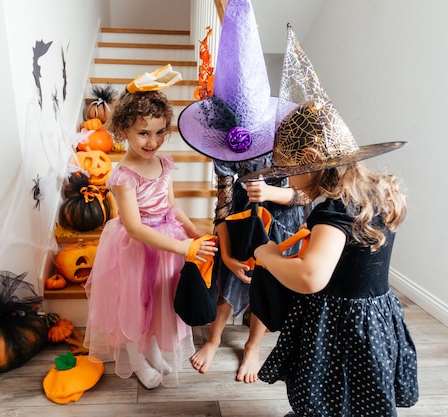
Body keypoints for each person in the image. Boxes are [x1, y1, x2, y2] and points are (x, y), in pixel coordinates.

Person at [243, 24, 419, 416]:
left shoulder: (333, 209)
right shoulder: (375, 191)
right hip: (374, 314)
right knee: (361, 389)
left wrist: (268, 255)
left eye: (288, 169)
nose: (285, 178)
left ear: (309, 158)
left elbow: (310, 277)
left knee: (329, 384)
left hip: (340, 320)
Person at [177, 0, 307, 383]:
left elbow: (304, 197)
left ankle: (253, 345)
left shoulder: (288, 145)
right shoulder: (224, 153)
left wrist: (270, 193)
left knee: (266, 284)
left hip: (283, 226)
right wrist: (229, 254)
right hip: (239, 220)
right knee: (229, 280)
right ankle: (215, 339)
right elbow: (221, 203)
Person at [83, 77, 218, 390]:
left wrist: (193, 231)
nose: (152, 141)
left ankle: (154, 349)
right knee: (135, 304)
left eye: (159, 133)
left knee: (161, 300)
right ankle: (136, 358)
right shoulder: (123, 176)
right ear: (123, 130)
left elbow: (171, 206)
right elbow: (133, 226)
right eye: (143, 133)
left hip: (167, 241)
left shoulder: (164, 164)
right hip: (136, 246)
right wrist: (182, 248)